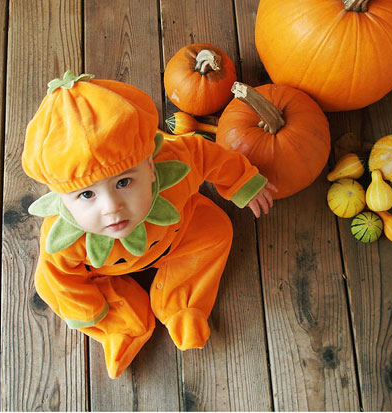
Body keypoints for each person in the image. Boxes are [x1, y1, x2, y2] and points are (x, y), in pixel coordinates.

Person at [22, 71, 274, 379]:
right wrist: (91, 312)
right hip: (106, 270)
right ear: (62, 198)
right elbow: (61, 282)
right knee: (56, 287)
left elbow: (207, 155)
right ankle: (122, 326)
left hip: (177, 236)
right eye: (87, 194)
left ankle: (182, 303)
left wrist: (242, 180)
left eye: (124, 182)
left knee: (215, 229)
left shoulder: (177, 165)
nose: (111, 207)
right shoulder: (64, 239)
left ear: (152, 167)